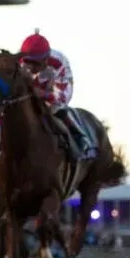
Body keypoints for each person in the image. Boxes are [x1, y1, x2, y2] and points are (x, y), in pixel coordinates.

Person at [18, 30, 95, 160]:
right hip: (29, 95)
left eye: (35, 63)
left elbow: (64, 97)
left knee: (60, 111)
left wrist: (44, 95)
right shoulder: (18, 62)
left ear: (46, 59)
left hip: (52, 95)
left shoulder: (58, 62)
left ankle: (83, 142)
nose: (30, 66)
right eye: (27, 61)